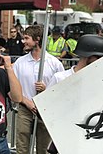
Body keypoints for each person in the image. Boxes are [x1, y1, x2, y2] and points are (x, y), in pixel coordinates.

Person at [46, 34, 103, 154]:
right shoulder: (61, 78)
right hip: (64, 141)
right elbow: (45, 110)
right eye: (100, 58)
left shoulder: (101, 81)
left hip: (92, 142)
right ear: (90, 57)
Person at [13, 25, 65, 154]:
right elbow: (12, 88)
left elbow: (62, 90)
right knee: (22, 147)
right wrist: (26, 102)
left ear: (37, 40)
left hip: (45, 109)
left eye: (26, 38)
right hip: (25, 107)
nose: (23, 41)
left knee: (43, 147)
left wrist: (46, 89)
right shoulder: (20, 62)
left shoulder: (54, 63)